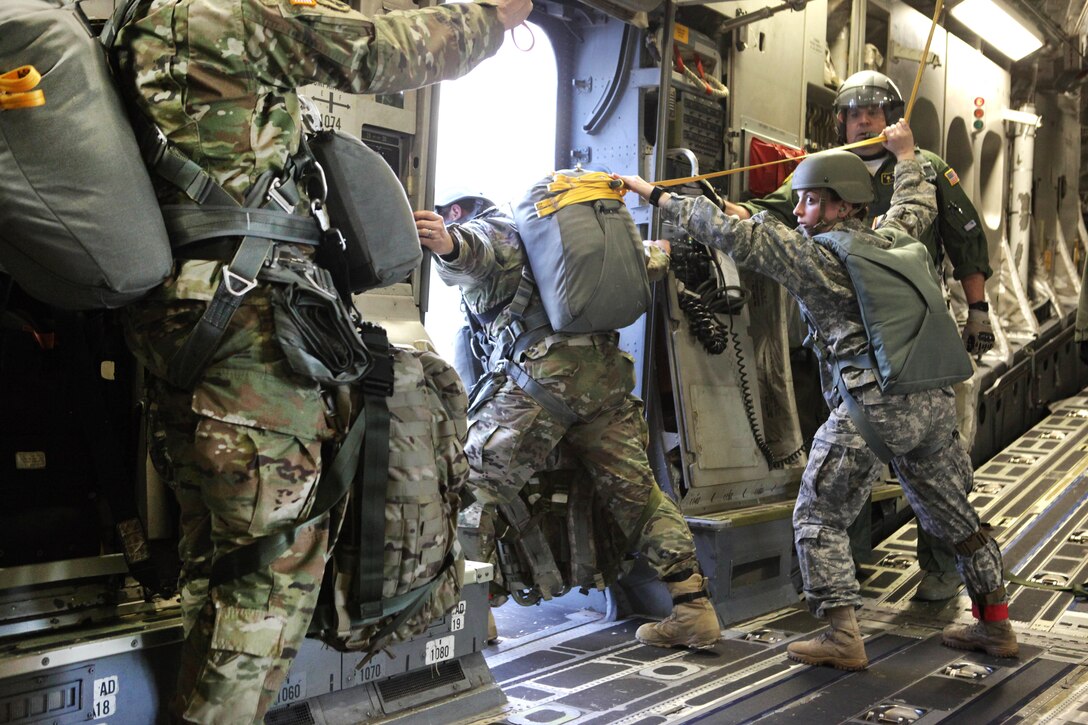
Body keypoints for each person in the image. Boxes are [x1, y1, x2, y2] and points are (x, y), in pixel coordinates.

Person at [113, 0, 531, 722]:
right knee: (268, 586)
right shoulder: (227, 13)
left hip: (185, 322)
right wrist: (492, 15)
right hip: (249, 337)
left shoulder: (137, 22)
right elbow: (386, 48)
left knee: (221, 566)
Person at [617, 120, 1018, 671]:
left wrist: (653, 193)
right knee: (956, 520)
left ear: (838, 208)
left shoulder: (820, 259)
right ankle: (995, 625)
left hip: (870, 411)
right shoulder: (894, 237)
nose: (800, 212)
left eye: (808, 202)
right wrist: (906, 154)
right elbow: (916, 200)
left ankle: (841, 634)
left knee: (816, 517)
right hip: (929, 403)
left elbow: (739, 239)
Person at [413, 192, 722, 651]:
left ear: (457, 212)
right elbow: (646, 258)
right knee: (639, 497)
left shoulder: (495, 228)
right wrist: (669, 249)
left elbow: (476, 249)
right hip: (607, 381)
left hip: (541, 382)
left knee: (468, 487)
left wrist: (447, 244)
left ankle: (473, 617)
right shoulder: (576, 244)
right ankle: (693, 610)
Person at [728, 71, 993, 601]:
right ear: (841, 120)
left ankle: (939, 569)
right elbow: (771, 212)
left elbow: (965, 241)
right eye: (853, 112)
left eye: (874, 110)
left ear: (893, 114)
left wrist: (978, 309)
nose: (864, 120)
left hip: (910, 340)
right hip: (849, 351)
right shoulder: (822, 172)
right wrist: (734, 216)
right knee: (846, 460)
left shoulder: (923, 168)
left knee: (937, 469)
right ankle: (842, 566)